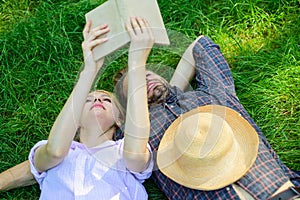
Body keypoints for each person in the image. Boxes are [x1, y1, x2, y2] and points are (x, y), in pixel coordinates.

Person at [113, 35, 300, 200]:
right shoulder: (135, 137)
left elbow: (200, 45)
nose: (145, 80)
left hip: (281, 192)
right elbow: (97, 121)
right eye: (137, 84)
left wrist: (172, 90)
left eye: (147, 74)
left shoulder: (210, 93)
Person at [0, 17, 155, 199]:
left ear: (120, 119)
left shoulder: (123, 152)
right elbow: (54, 151)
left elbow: (136, 155)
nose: (97, 98)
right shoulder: (55, 152)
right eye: (87, 100)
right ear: (75, 119)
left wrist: (136, 64)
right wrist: (89, 70)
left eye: (106, 99)